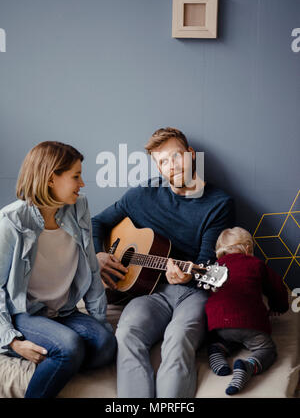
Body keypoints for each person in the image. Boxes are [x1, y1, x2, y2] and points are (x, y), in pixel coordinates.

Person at [92, 127, 235, 398]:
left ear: (191, 155)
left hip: (193, 290)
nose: (172, 167)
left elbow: (206, 262)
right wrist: (97, 255)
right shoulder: (141, 195)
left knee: (178, 338)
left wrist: (187, 275)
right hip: (149, 292)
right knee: (127, 334)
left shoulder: (219, 204)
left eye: (176, 157)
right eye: (163, 162)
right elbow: (96, 222)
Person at [0, 141, 116, 398]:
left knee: (106, 344)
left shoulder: (79, 207)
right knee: (70, 346)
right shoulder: (11, 221)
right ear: (52, 178)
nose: (82, 184)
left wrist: (97, 323)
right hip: (26, 313)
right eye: (76, 176)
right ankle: (60, 354)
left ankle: (61, 357)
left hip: (64, 311)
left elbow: (91, 268)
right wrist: (12, 341)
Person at [205, 226, 289, 395]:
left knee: (231, 339)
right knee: (267, 350)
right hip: (250, 324)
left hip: (219, 326)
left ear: (219, 249)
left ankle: (217, 351)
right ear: (249, 248)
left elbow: (209, 293)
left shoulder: (213, 268)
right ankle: (248, 365)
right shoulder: (256, 264)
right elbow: (277, 288)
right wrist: (279, 307)